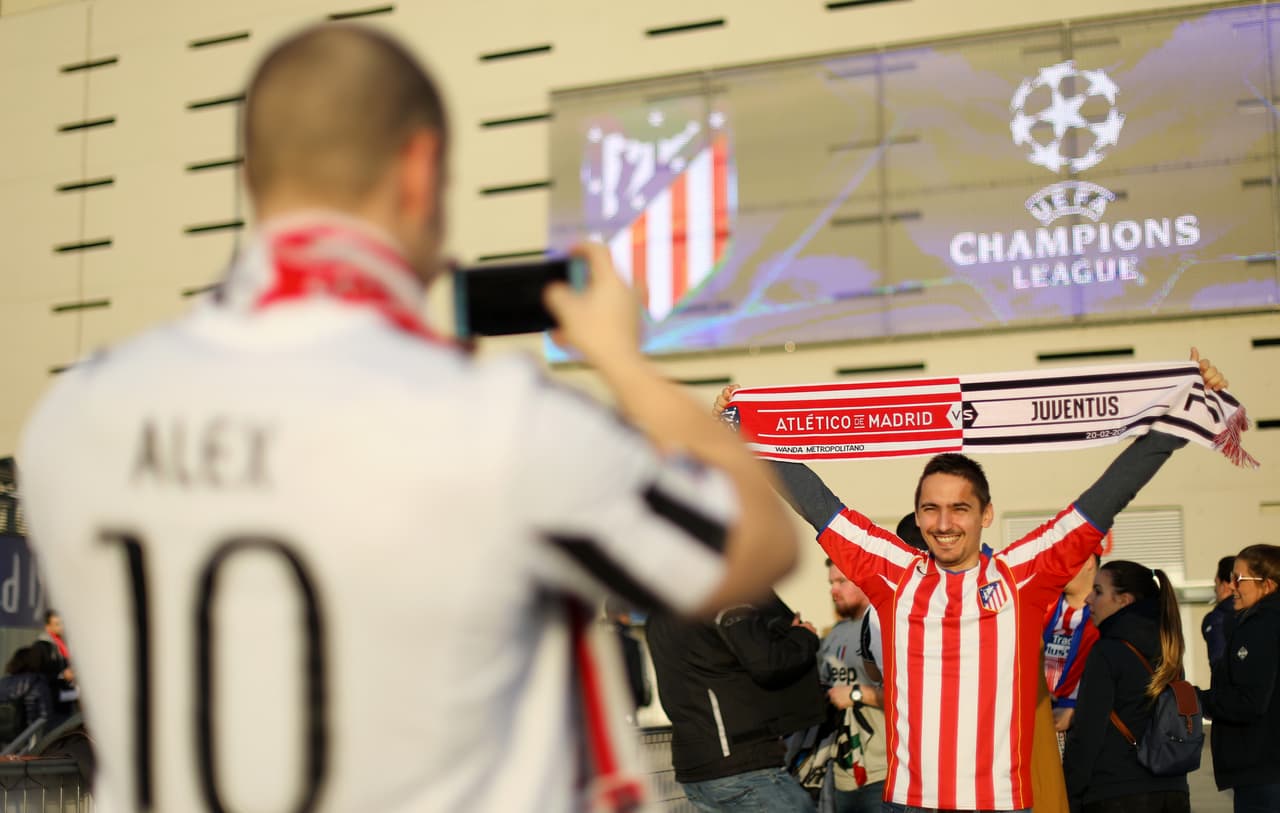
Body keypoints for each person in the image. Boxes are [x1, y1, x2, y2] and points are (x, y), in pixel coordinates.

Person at [16, 24, 801, 813]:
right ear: (421, 168)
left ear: (252, 177)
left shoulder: (76, 416)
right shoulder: (498, 421)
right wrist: (621, 358)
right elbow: (753, 538)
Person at [712, 351, 1227, 813]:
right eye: (930, 509)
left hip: (1001, 806)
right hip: (911, 803)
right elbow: (819, 505)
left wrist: (1177, 424)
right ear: (916, 514)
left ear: (986, 514)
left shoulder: (1024, 572)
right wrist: (746, 433)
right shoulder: (893, 571)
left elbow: (1104, 499)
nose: (943, 523)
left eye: (960, 508)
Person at [647, 593, 824, 812]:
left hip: (698, 769)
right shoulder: (722, 597)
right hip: (740, 766)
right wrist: (802, 636)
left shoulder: (658, 613)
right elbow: (766, 663)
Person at [1061, 561, 1190, 813]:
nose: (1088, 599)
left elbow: (1088, 733)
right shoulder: (1170, 649)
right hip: (1172, 788)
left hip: (1116, 791)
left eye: (1098, 591)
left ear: (1124, 600)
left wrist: (1070, 792)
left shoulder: (1108, 652)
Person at [1197, 544, 1280, 813]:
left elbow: (1249, 700)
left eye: (1239, 579)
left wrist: (1195, 699)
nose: (1231, 586)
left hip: (1263, 770)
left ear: (1267, 585)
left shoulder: (1261, 624)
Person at [818, 560, 888, 813]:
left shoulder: (883, 628)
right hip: (842, 775)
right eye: (831, 583)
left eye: (842, 582)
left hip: (883, 774)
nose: (833, 590)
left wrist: (858, 694)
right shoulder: (834, 634)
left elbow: (909, 700)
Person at [1043, 555, 1101, 740]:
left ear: (1089, 560)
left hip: (1081, 728)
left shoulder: (1107, 617)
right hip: (1040, 719)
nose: (1056, 568)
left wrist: (1078, 710)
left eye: (1063, 559)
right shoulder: (1042, 606)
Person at [0, 646, 53, 742]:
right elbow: (45, 716)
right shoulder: (37, 682)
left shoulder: (3, 682)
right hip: (27, 740)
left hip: (4, 741)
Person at [1200, 555, 1237, 671]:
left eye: (1216, 583)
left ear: (1225, 585)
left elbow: (1218, 664)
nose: (1215, 589)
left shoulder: (1217, 619)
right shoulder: (1258, 613)